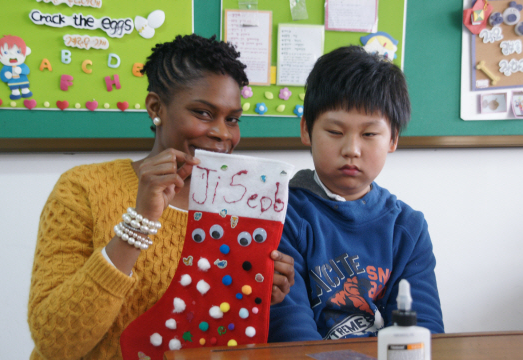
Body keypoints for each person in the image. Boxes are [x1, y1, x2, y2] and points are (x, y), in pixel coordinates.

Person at [28, 34, 295, 360]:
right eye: (203, 113)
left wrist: (254, 292)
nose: (223, 133)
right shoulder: (83, 188)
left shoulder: (244, 204)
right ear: (156, 108)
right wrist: (139, 223)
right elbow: (55, 342)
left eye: (233, 119)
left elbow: (209, 332)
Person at [268, 46, 444, 342]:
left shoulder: (408, 228)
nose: (351, 149)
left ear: (393, 139)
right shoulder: (281, 213)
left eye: (369, 134)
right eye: (335, 132)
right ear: (306, 131)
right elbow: (289, 326)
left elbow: (424, 329)